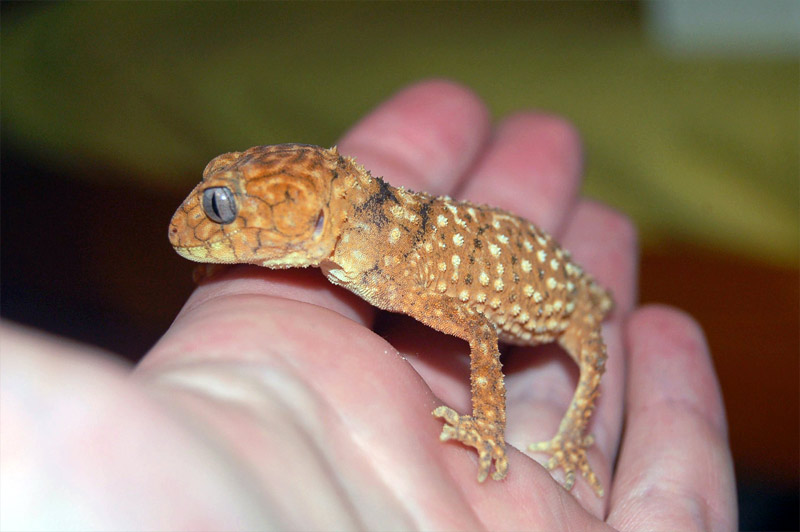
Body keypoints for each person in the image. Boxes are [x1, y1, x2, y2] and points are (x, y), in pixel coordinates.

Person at [0, 80, 736, 530]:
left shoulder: (396, 273)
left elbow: (478, 328)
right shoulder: (352, 249)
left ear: (312, 215)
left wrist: (492, 426)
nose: (198, 220)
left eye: (223, 208)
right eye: (217, 192)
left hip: (563, 299)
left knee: (592, 351)